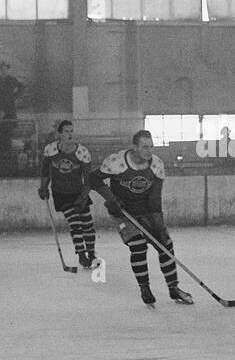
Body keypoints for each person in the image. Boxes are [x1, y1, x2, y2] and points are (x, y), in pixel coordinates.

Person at [90, 129, 192, 307]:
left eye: (151, 147)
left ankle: (173, 288)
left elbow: (155, 199)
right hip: (124, 214)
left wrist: (158, 226)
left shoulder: (156, 165)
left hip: (146, 212)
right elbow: (94, 179)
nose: (149, 151)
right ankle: (145, 288)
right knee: (138, 245)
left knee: (165, 244)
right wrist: (111, 199)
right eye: (145, 147)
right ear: (134, 147)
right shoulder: (117, 162)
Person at [39, 119, 97, 269]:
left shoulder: (82, 152)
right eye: (66, 131)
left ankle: (91, 253)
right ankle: (81, 255)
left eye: (72, 131)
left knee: (88, 224)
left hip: (78, 193)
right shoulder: (50, 150)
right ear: (59, 134)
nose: (70, 134)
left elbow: (88, 177)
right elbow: (45, 171)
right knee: (75, 222)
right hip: (61, 193)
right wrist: (43, 187)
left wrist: (84, 196)